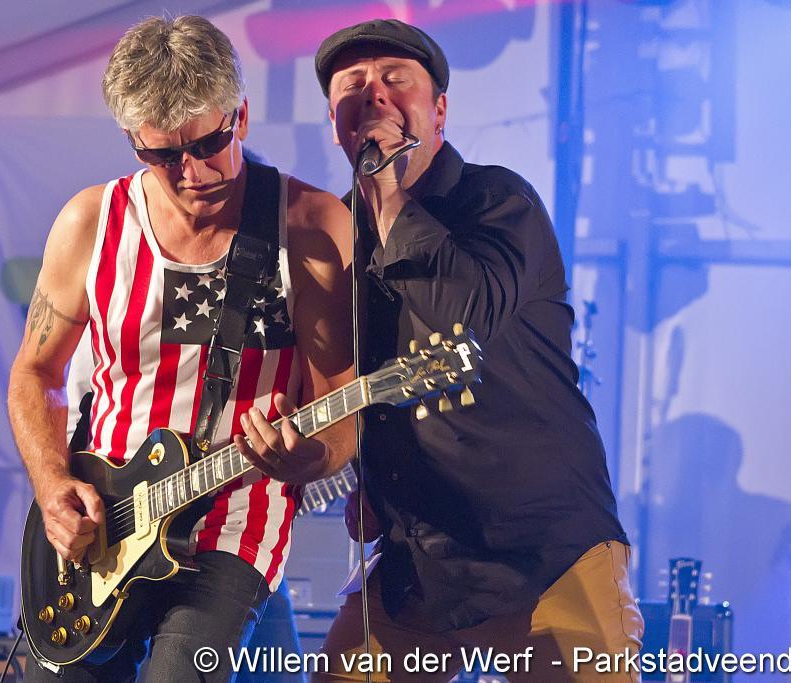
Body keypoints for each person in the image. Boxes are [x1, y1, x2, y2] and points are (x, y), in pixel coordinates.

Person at [8, 15, 354, 681]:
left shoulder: (310, 226)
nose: (193, 173)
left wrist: (309, 457)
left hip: (233, 524)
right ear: (132, 141)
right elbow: (36, 371)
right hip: (104, 523)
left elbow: (342, 400)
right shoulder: (91, 222)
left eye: (209, 143)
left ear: (241, 116)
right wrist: (52, 486)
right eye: (165, 156)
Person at [312, 19, 644, 682]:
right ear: (334, 122)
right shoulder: (337, 234)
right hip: (421, 563)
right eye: (353, 86)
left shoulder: (498, 200)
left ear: (439, 110)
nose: (374, 94)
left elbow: (460, 317)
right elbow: (351, 379)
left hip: (543, 553)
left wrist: (388, 196)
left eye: (394, 80)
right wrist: (368, 473)